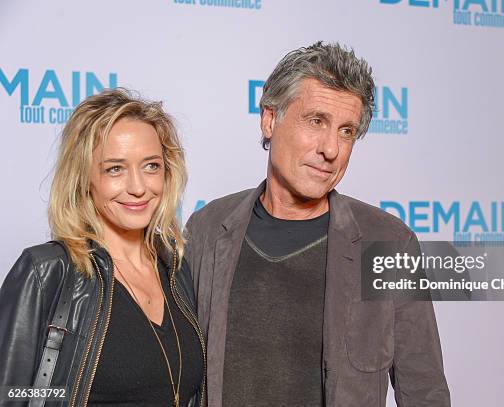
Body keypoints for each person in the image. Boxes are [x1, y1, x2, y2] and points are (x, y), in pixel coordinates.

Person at [185, 42, 450, 406]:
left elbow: (424, 389)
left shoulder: (388, 242)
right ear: (269, 118)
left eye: (346, 131)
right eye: (316, 121)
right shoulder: (207, 228)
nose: (331, 149)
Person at [0, 88, 206, 407]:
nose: (138, 187)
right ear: (84, 179)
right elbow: (11, 393)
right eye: (115, 169)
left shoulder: (176, 268)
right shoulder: (47, 272)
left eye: (151, 166)